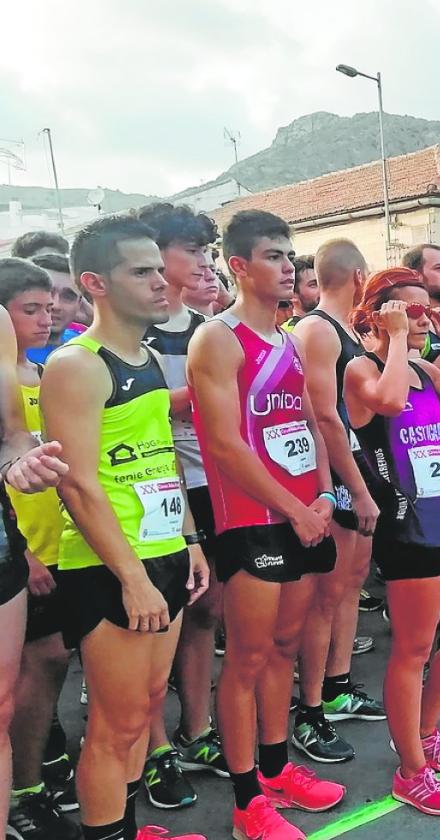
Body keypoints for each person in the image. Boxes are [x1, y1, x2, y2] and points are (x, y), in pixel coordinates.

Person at [41, 216, 207, 840]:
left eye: (160, 269)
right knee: (112, 728)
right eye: (142, 271)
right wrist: (133, 577)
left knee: (141, 710)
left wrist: (189, 540)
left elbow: (160, 456)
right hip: (112, 566)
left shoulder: (146, 357)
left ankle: (128, 827)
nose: (162, 283)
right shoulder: (77, 364)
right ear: (95, 283)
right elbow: (77, 482)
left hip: (163, 553)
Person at [187, 210, 345, 839]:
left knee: (284, 646)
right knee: (247, 658)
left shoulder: (287, 339)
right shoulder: (217, 340)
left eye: (291, 256)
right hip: (253, 519)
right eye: (274, 257)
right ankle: (247, 796)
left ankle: (278, 770)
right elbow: (225, 447)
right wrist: (296, 507)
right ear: (239, 266)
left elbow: (310, 421)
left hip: (305, 514)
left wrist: (327, 493)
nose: (288, 267)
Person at [344, 268, 440, 815]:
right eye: (406, 309)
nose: (420, 317)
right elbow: (383, 404)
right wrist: (398, 340)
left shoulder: (428, 368)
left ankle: (426, 730)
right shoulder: (362, 369)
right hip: (406, 528)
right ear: (377, 313)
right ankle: (411, 769)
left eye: (424, 307)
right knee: (412, 650)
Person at [134, 202, 227, 810]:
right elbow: (125, 407)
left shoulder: (203, 328)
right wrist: (199, 394)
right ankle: (154, 747)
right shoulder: (123, 330)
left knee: (203, 615)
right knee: (152, 627)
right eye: (190, 250)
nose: (201, 263)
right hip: (149, 490)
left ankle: (197, 731)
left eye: (204, 251)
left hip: (209, 485)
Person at [290, 240, 385, 765]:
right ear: (357, 273)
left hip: (361, 469)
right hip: (337, 475)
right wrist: (356, 487)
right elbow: (323, 417)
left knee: (349, 585)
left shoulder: (347, 330)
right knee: (326, 596)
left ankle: (337, 685)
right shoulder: (317, 330)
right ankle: (309, 710)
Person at [0, 258, 80, 840]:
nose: (45, 318)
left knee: (47, 664)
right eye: (31, 309)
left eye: (49, 308)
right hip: (25, 553)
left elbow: (22, 446)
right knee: (31, 672)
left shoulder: (47, 374)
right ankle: (27, 785)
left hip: (55, 545)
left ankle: (29, 782)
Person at [25, 254, 84, 365]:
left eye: (68, 296)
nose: (55, 305)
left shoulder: (83, 342)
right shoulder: (9, 354)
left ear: (79, 304)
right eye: (47, 292)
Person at [182, 251, 223, 316]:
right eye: (199, 270)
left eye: (213, 270)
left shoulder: (226, 321)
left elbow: (242, 326)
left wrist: (227, 300)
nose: (211, 277)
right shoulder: (168, 324)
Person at [287, 256, 320, 326]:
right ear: (292, 295)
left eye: (322, 283)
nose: (322, 289)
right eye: (313, 285)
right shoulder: (289, 334)